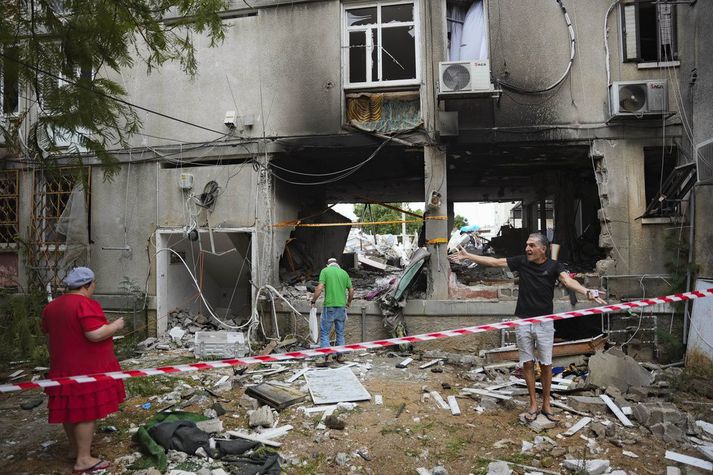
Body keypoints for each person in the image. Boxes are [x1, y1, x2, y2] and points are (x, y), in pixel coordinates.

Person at [449, 233, 606, 423]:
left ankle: (546, 404)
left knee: (546, 364)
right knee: (527, 364)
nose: (527, 249)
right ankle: (533, 403)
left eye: (531, 245)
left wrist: (587, 291)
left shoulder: (554, 266)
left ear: (543, 249)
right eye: (526, 245)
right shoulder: (522, 262)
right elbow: (495, 262)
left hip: (545, 323)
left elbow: (568, 281)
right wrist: (469, 256)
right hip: (523, 321)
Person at [42, 267, 126, 474]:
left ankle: (75, 449)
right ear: (87, 285)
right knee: (85, 412)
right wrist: (115, 325)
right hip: (87, 368)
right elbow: (95, 334)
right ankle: (84, 459)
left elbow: (48, 335)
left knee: (71, 410)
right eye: (94, 283)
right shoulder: (85, 304)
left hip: (62, 367)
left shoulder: (52, 307)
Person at [311, 257, 353, 363]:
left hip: (329, 307)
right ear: (337, 264)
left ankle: (327, 356)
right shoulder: (344, 273)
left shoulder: (325, 271)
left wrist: (313, 301)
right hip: (341, 308)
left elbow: (320, 288)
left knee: (325, 332)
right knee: (340, 332)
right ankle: (340, 356)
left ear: (328, 264)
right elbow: (351, 290)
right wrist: (348, 302)